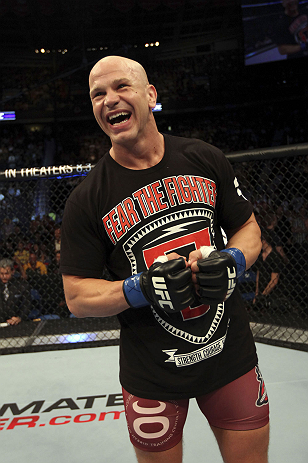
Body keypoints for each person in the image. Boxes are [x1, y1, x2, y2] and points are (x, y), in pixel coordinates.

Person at [60, 56, 269, 463]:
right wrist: (140, 288)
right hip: (152, 371)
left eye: (121, 87)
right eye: (97, 94)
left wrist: (233, 262)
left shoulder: (204, 157)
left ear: (150, 94)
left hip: (230, 354)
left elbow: (250, 231)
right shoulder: (86, 200)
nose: (109, 100)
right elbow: (77, 296)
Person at [0, 258, 31, 325]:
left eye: (6, 273)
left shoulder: (21, 286)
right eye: (1, 274)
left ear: (12, 271)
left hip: (16, 320)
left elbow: (27, 305)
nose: (4, 276)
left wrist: (20, 317)